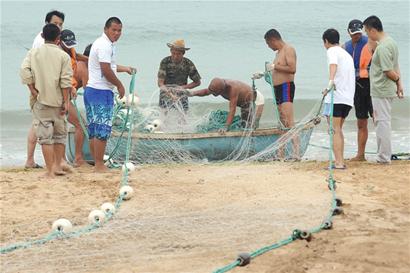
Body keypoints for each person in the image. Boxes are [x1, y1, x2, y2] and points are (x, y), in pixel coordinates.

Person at [20, 23, 73, 178]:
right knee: (59, 136)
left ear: (43, 37)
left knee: (45, 138)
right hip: (58, 102)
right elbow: (65, 81)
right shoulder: (64, 56)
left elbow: (24, 70)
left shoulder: (33, 52)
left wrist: (32, 89)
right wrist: (66, 102)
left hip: (40, 101)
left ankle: (49, 170)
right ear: (58, 39)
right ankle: (57, 166)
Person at [85, 17, 135, 172]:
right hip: (100, 91)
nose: (117, 33)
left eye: (119, 30)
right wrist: (119, 85)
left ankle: (97, 163)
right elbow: (105, 70)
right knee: (102, 129)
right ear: (106, 29)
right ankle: (99, 165)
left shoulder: (104, 44)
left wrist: (125, 68)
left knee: (94, 129)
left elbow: (110, 66)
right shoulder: (105, 45)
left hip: (91, 90)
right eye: (114, 30)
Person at [25, 10, 65, 169]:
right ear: (47, 23)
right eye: (55, 23)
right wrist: (33, 89)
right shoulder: (41, 41)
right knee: (42, 126)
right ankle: (54, 162)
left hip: (43, 90)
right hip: (43, 91)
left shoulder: (52, 39)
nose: (59, 27)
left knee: (39, 125)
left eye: (61, 24)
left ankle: (32, 160)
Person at [363, 15, 404, 164]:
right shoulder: (391, 42)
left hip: (382, 90)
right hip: (385, 89)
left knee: (382, 122)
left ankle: (383, 157)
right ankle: (382, 154)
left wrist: (398, 81)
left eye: (367, 32)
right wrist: (399, 85)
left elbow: (388, 70)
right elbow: (396, 66)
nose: (367, 35)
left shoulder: (383, 47)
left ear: (373, 30)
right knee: (382, 121)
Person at [322, 28, 355, 169]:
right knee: (338, 129)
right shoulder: (346, 54)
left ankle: (339, 163)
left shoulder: (332, 51)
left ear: (326, 41)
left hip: (337, 97)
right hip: (347, 98)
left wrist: (330, 81)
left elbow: (333, 65)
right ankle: (340, 161)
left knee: (334, 129)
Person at [343, 19, 373, 161]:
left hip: (370, 84)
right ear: (349, 32)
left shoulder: (371, 43)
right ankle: (361, 155)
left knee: (378, 118)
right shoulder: (345, 47)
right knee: (361, 121)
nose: (357, 36)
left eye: (359, 33)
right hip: (355, 86)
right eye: (354, 34)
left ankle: (384, 152)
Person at [188, 78, 264, 133]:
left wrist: (226, 126)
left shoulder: (233, 89)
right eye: (212, 91)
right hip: (243, 102)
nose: (212, 94)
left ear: (221, 90)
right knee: (244, 125)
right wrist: (192, 93)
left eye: (215, 93)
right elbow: (206, 92)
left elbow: (232, 109)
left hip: (256, 99)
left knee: (249, 126)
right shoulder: (218, 86)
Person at [59, 30, 89, 166]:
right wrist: (71, 89)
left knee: (60, 126)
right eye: (67, 44)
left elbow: (76, 55)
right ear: (59, 41)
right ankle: (77, 158)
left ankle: (64, 159)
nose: (70, 46)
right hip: (60, 96)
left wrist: (92, 60)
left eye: (72, 44)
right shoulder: (59, 55)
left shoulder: (71, 51)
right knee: (80, 125)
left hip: (67, 96)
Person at [263, 29, 297, 129]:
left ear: (273, 40)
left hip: (285, 87)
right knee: (282, 123)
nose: (269, 47)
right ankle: (284, 145)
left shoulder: (288, 49)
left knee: (289, 122)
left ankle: (296, 145)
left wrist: (274, 67)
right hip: (276, 89)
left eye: (268, 44)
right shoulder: (278, 54)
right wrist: (264, 74)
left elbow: (292, 69)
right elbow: (276, 71)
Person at [157, 39, 201, 114]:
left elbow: (197, 82)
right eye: (173, 53)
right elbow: (160, 83)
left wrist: (182, 88)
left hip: (181, 94)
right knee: (163, 118)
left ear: (183, 53)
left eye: (178, 54)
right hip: (166, 93)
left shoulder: (188, 64)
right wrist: (170, 94)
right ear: (170, 51)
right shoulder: (165, 62)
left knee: (183, 118)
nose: (175, 56)